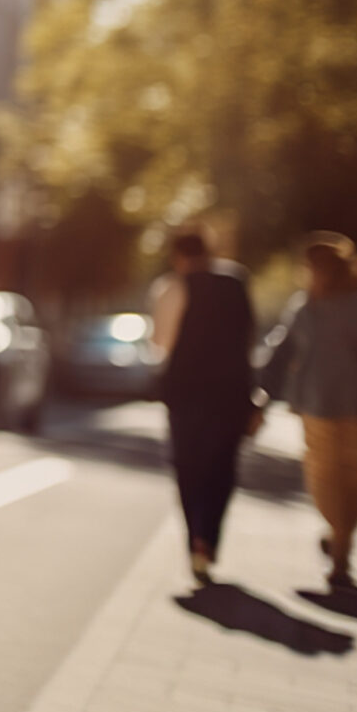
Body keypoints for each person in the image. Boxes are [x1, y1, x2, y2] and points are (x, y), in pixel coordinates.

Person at [256, 231, 357, 591]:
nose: (309, 275)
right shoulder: (311, 308)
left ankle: (340, 552)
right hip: (330, 408)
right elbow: (282, 354)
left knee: (343, 481)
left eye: (313, 268)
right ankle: (340, 540)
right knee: (334, 481)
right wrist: (263, 391)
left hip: (348, 407)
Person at [148, 228, 257, 585]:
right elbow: (248, 338)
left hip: (186, 393)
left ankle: (195, 540)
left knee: (189, 469)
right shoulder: (237, 282)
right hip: (231, 394)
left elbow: (161, 343)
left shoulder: (171, 287)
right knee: (221, 470)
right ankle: (209, 538)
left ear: (178, 256)